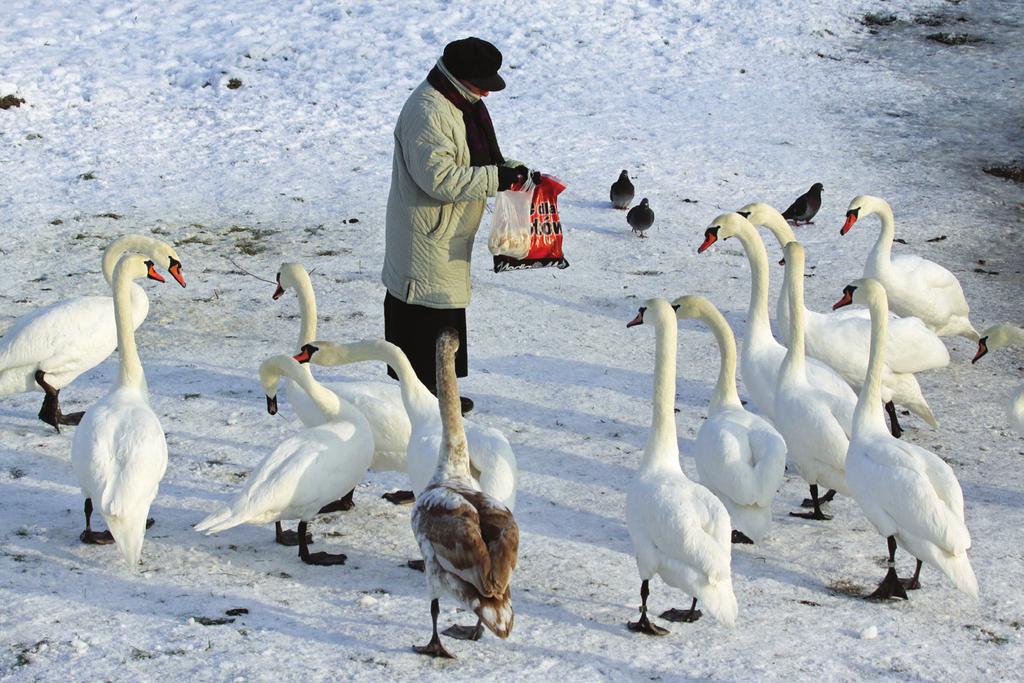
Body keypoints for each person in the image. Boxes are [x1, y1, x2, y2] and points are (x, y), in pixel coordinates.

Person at [381, 37, 530, 414]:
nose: (487, 92)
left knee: (445, 317)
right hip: (427, 235)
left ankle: (440, 394)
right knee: (425, 319)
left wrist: (516, 173)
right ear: (461, 77)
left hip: (446, 234)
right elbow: (441, 179)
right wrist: (496, 178)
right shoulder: (428, 112)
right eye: (483, 83)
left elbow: (479, 159)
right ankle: (424, 403)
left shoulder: (460, 103)